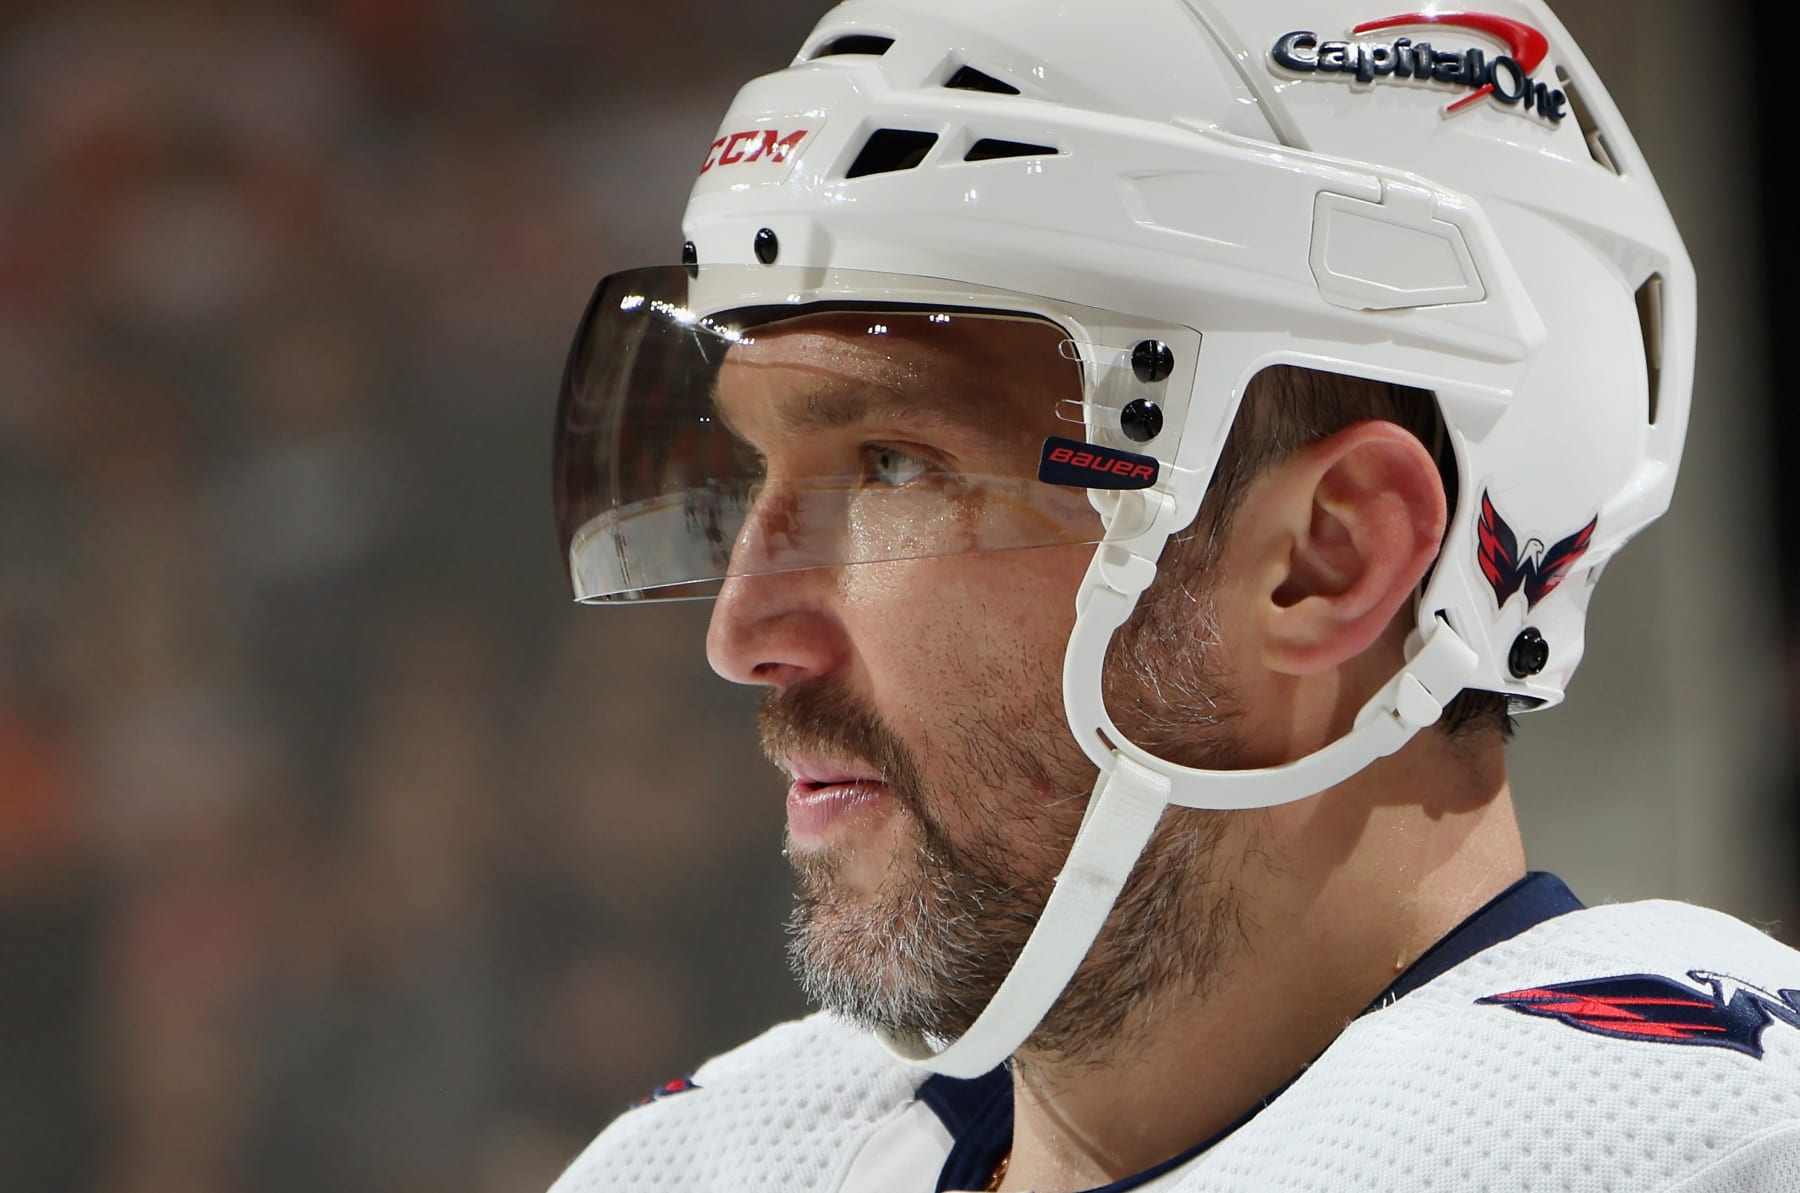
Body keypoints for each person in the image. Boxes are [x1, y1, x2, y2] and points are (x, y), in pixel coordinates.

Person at [547, 1, 1800, 1189]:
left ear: (1327, 559)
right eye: (768, 468)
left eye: (892, 465)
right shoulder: (709, 1159)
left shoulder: (1702, 1146)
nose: (743, 633)